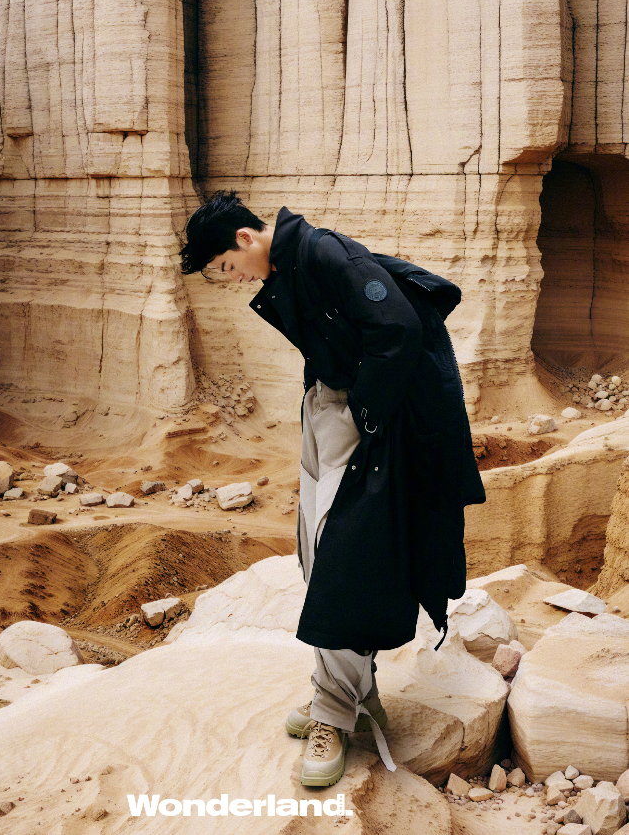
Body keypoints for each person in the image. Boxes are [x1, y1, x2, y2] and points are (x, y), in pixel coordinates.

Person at [179, 191, 486, 788]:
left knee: (343, 558)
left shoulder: (324, 253)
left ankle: (334, 714)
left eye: (226, 265)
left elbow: (397, 328)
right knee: (315, 551)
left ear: (245, 238)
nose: (232, 278)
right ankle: (348, 693)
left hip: (357, 419)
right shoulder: (291, 262)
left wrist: (367, 415)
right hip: (325, 409)